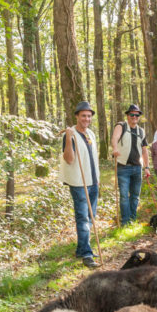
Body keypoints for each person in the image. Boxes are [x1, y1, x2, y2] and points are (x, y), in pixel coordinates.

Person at [61, 101, 101, 268]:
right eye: (83, 115)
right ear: (77, 116)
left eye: (89, 116)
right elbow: (69, 159)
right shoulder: (70, 135)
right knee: (83, 217)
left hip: (93, 181)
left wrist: (98, 179)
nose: (86, 119)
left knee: (90, 217)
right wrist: (69, 138)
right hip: (79, 182)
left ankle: (82, 248)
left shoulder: (90, 134)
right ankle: (86, 254)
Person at [111, 104, 150, 226]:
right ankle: (125, 221)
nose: (134, 117)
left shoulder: (141, 131)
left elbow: (144, 150)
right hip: (123, 167)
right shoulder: (121, 126)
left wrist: (147, 167)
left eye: (136, 115)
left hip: (137, 167)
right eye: (132, 114)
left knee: (135, 196)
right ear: (127, 116)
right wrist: (115, 148)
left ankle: (132, 219)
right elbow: (115, 138)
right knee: (124, 196)